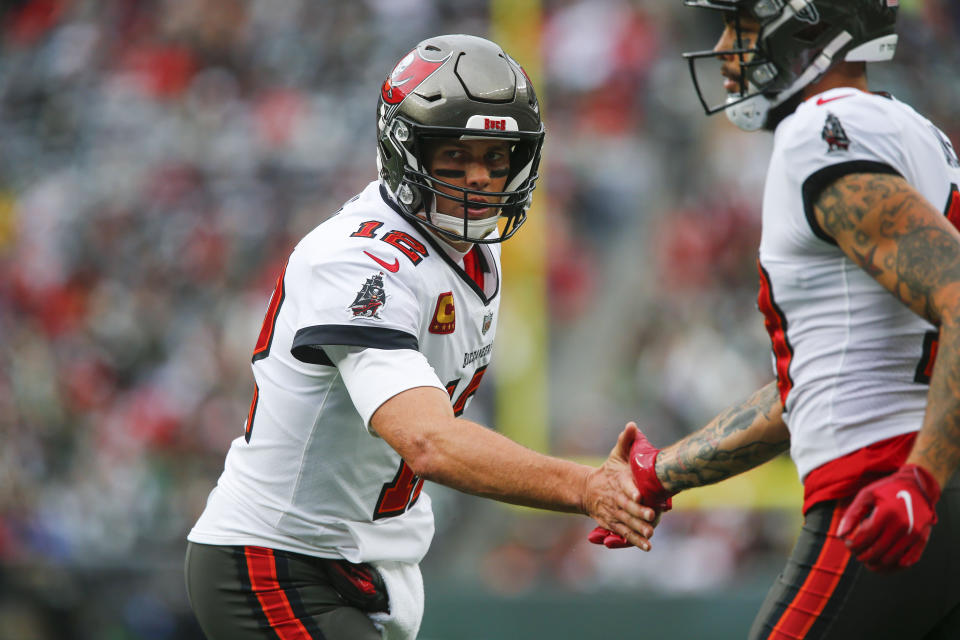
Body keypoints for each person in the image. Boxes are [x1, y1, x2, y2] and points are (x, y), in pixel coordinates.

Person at [184, 34, 657, 640]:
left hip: (359, 562)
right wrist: (586, 487)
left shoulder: (475, 248)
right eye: (454, 157)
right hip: (273, 561)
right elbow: (430, 441)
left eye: (497, 157)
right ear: (406, 152)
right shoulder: (360, 260)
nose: (479, 179)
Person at [590, 2, 960, 638]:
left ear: (812, 22)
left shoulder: (820, 132)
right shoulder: (915, 132)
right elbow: (822, 382)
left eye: (743, 22)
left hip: (883, 490)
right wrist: (661, 472)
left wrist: (918, 477)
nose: (728, 45)